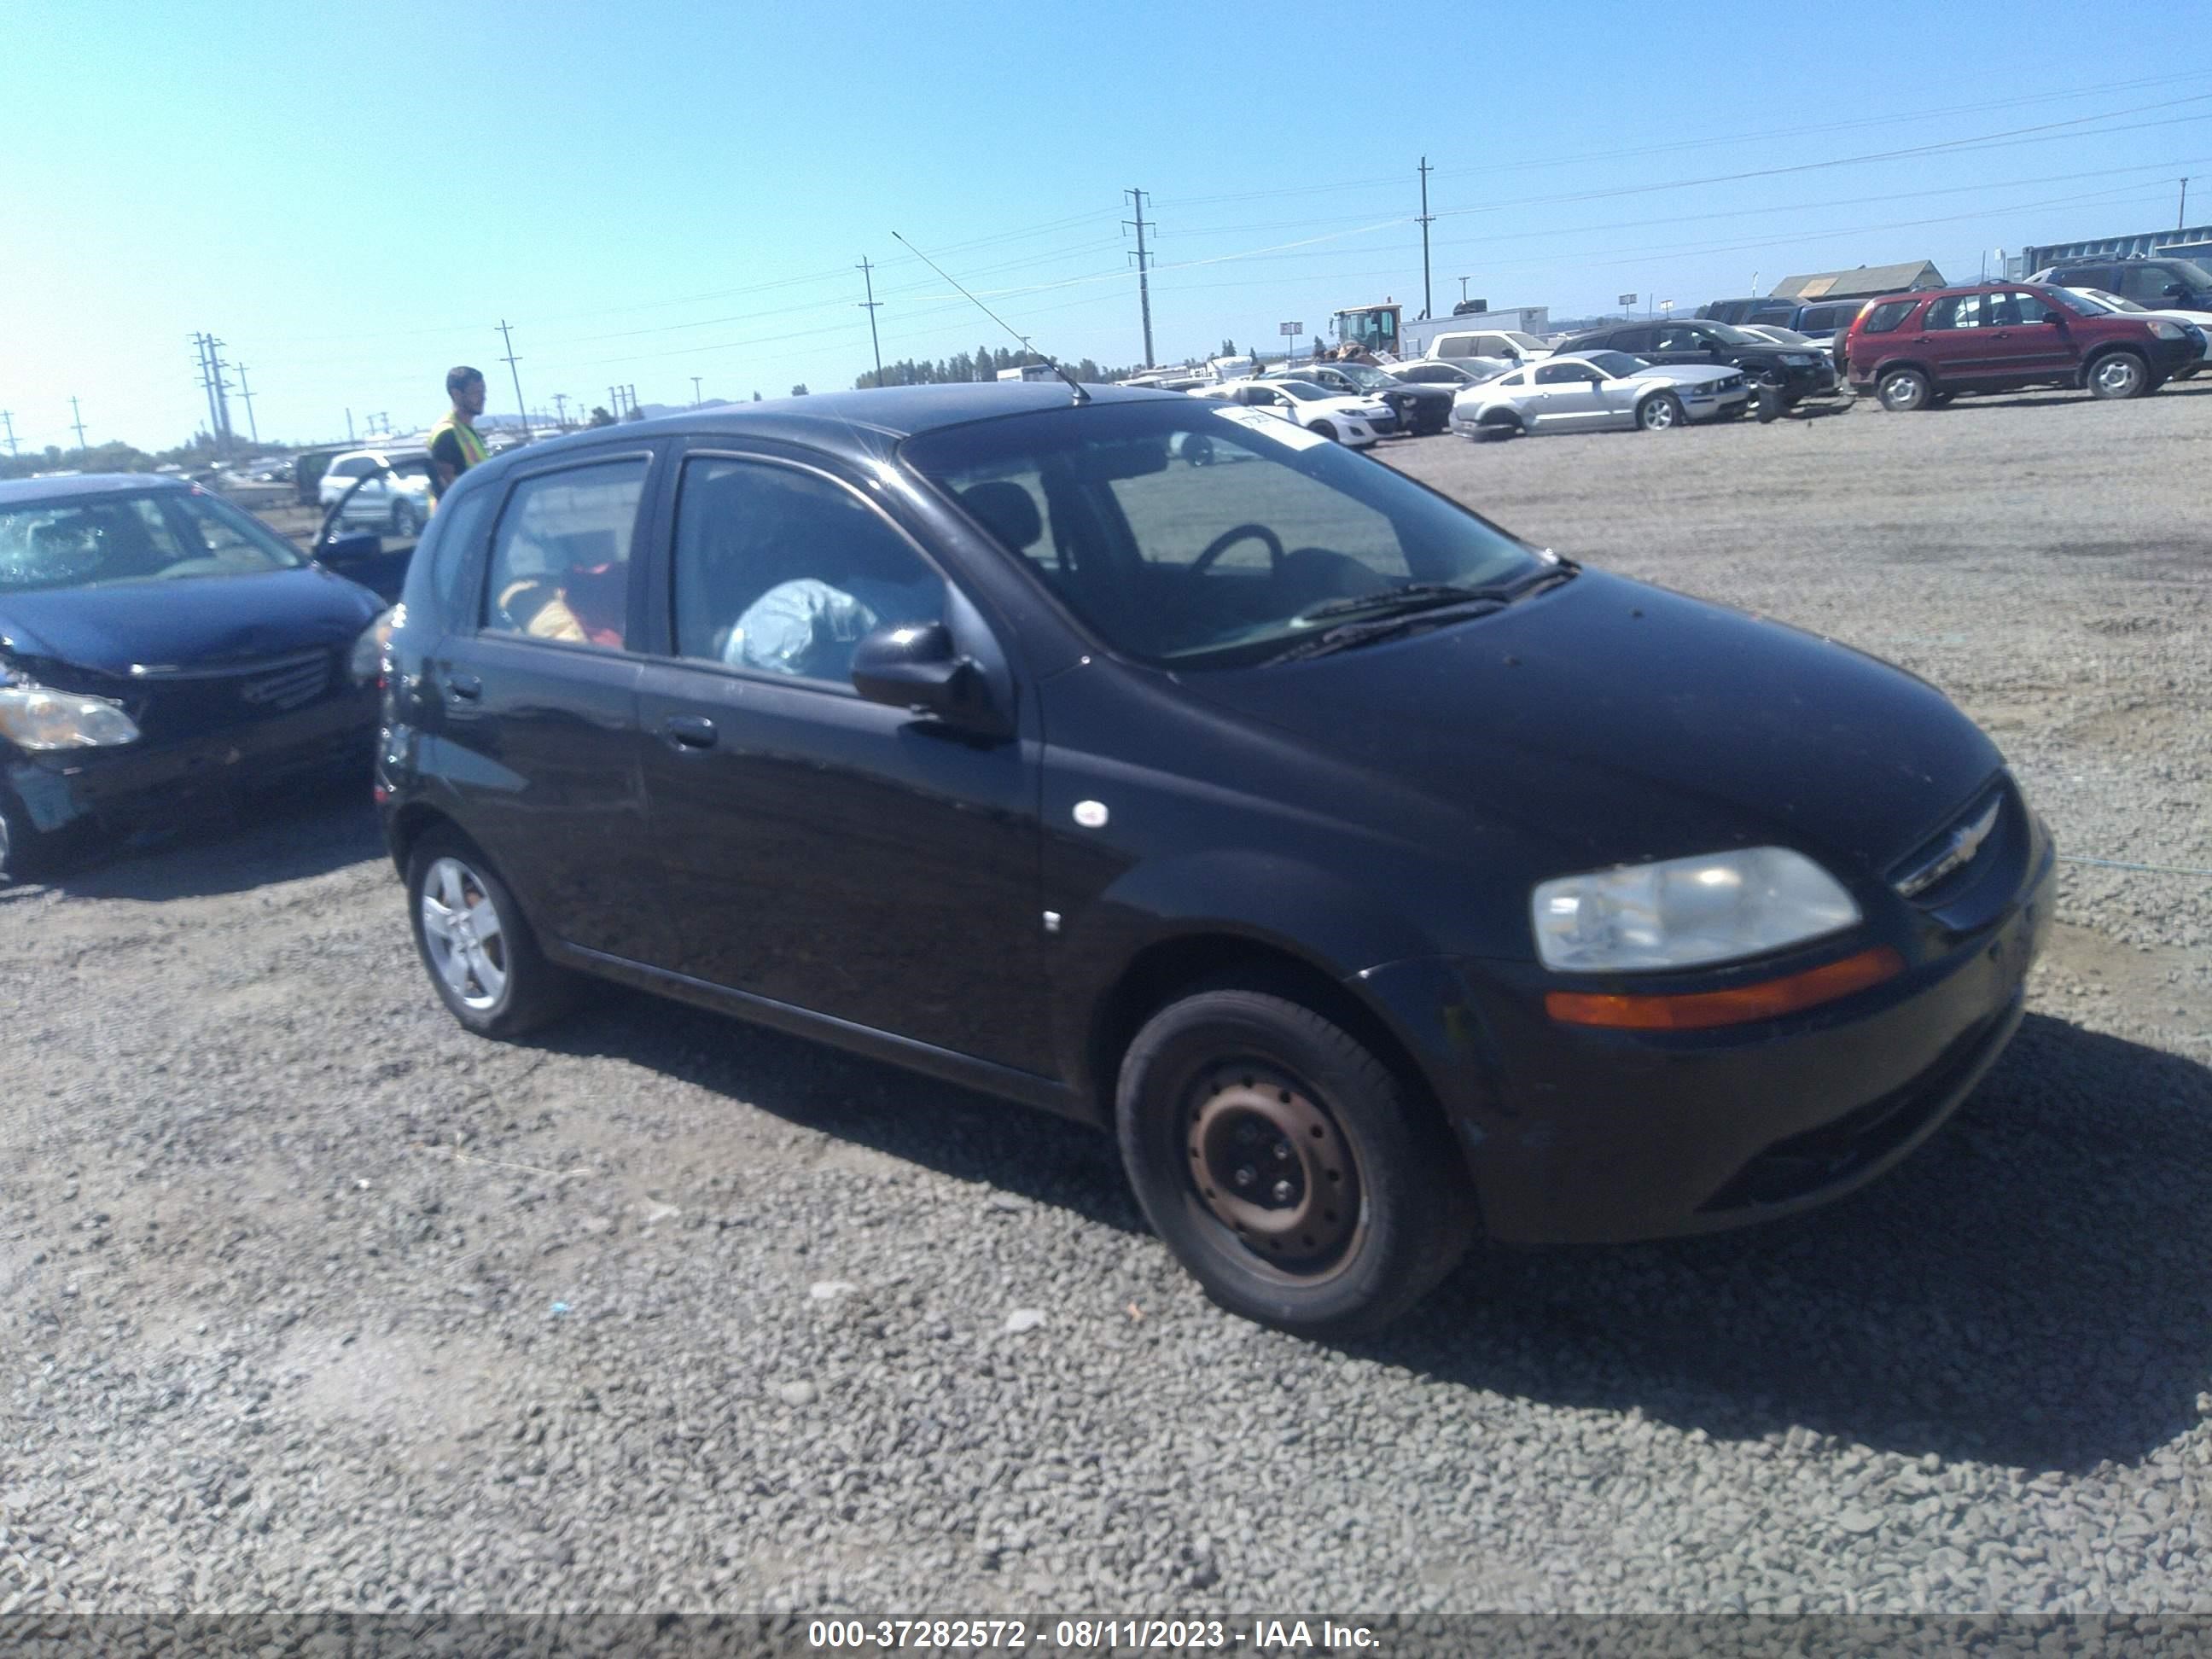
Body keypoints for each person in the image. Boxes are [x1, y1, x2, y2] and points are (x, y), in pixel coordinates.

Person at [428, 366, 488, 506]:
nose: (483, 397)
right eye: (476, 393)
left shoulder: (466, 430)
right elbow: (450, 487)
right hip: (460, 520)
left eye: (483, 391)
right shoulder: (446, 433)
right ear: (456, 394)